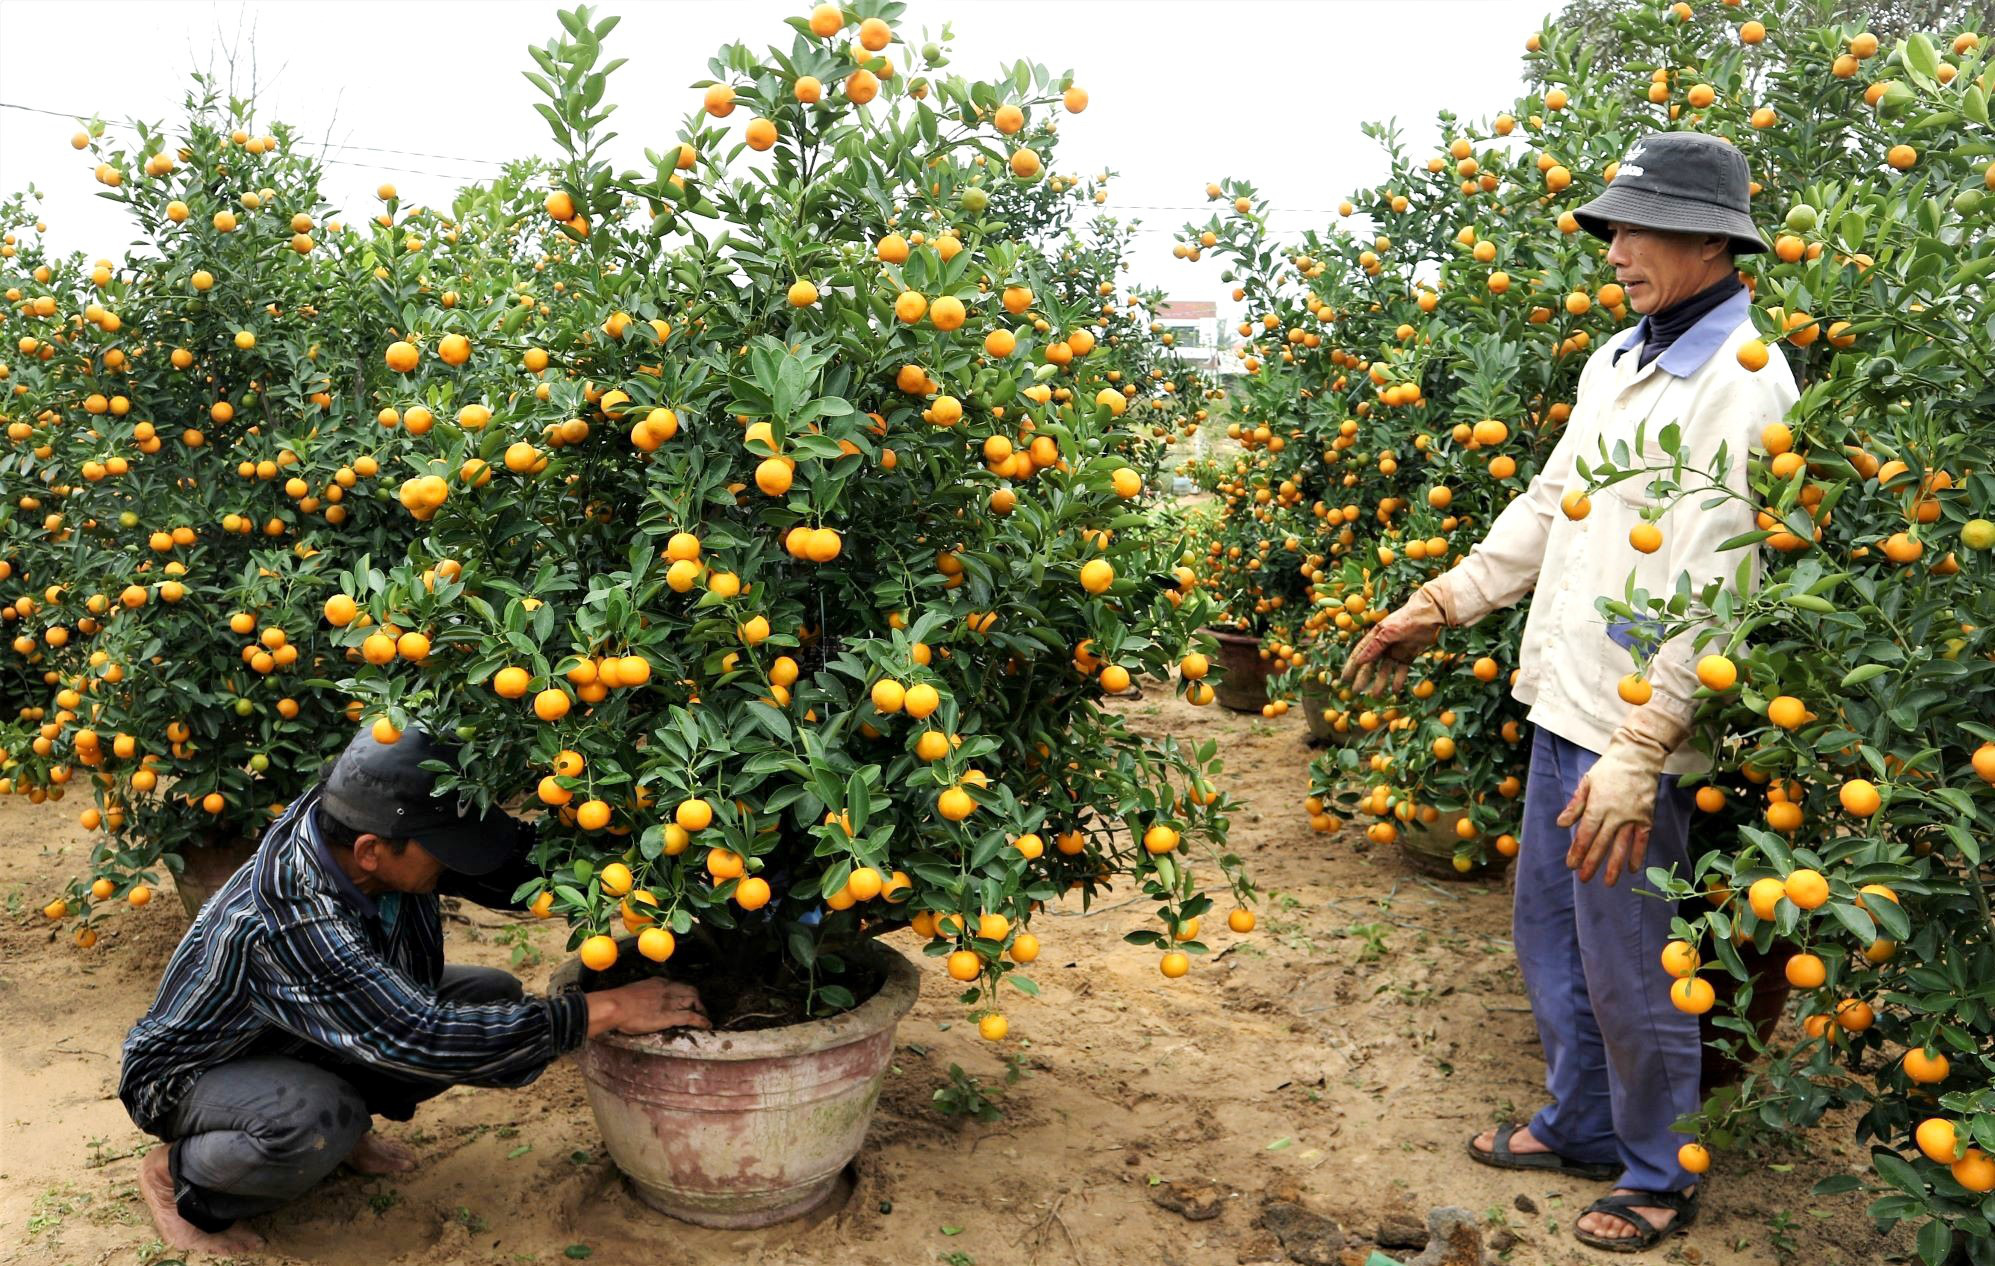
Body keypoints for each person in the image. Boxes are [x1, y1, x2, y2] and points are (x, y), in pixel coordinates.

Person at [1343, 130, 1798, 1252]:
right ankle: (1583, 1121)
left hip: (1635, 729)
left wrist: (1644, 751)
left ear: (1708, 242)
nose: (1618, 248)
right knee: (1550, 934)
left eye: (1638, 229)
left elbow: (1723, 585)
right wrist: (1439, 602)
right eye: (1615, 228)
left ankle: (1659, 1169)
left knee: (1638, 965)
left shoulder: (1744, 385)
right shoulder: (1617, 360)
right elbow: (1550, 505)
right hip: (1563, 700)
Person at [118, 724, 709, 1254]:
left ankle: (338, 1120)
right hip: (192, 1075)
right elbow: (420, 1034)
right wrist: (603, 1009)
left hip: (304, 1029)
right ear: (373, 853)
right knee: (316, 1119)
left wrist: (650, 861)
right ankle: (176, 1175)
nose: (451, 862)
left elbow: (505, 872)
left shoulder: (358, 818)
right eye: (441, 850)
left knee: (490, 996)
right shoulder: (290, 918)